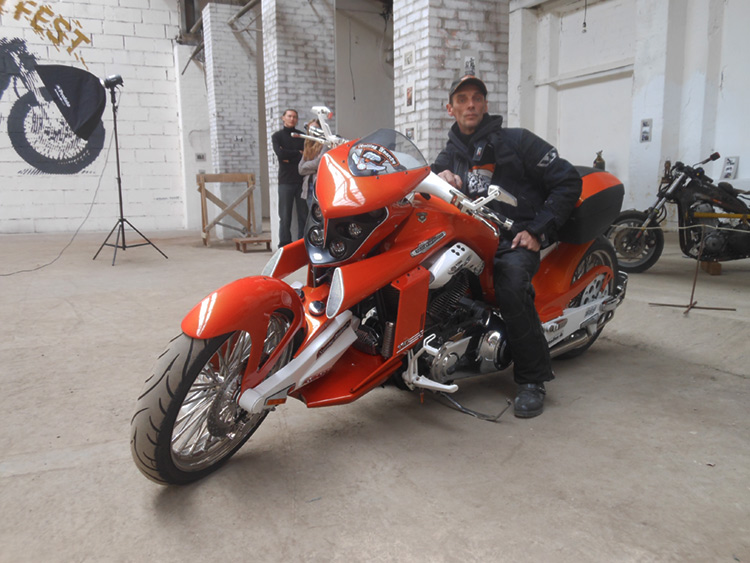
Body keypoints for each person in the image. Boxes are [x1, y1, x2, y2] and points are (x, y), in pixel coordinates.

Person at [432, 75, 582, 418]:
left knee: (511, 285)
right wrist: (438, 177)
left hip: (513, 238)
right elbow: (426, 183)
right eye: (462, 99)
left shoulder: (517, 141)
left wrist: (538, 231)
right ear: (450, 108)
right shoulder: (450, 153)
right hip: (471, 239)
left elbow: (567, 180)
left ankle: (532, 379)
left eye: (477, 98)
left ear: (486, 105)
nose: (470, 104)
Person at [271, 108, 307, 247]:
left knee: (303, 215)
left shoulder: (301, 136)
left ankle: (302, 244)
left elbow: (306, 156)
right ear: (283, 118)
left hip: (302, 181)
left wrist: (289, 156)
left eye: (294, 117)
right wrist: (297, 153)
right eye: (289, 116)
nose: (292, 119)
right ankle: (284, 245)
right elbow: (280, 155)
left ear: (297, 120)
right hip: (285, 181)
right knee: (285, 216)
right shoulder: (277, 136)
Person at [298, 119, 328, 208]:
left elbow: (319, 162)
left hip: (320, 186)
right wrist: (315, 169)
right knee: (311, 214)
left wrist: (308, 165)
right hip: (308, 187)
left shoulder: (326, 144)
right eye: (310, 128)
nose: (313, 131)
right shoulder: (308, 146)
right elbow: (300, 169)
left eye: (315, 128)